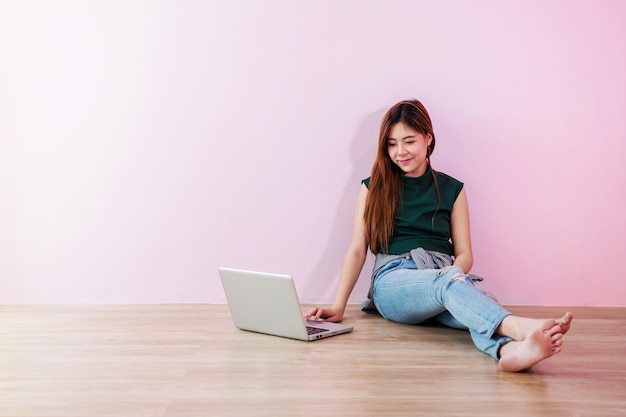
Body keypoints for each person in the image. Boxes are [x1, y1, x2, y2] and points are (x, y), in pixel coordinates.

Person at [306, 99, 573, 372]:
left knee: (480, 304)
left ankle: (509, 350)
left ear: (428, 138)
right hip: (393, 280)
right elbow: (357, 250)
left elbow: (465, 253)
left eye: (409, 141)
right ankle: (523, 326)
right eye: (391, 144)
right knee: (452, 288)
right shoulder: (372, 187)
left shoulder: (452, 189)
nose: (400, 152)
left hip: (443, 274)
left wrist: (454, 275)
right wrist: (338, 306)